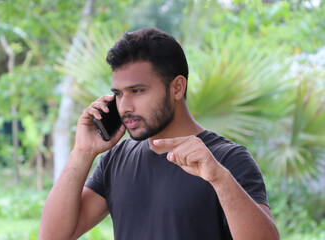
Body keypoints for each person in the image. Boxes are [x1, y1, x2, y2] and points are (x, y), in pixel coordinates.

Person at [39, 27, 279, 240]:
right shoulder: (116, 158)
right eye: (119, 93)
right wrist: (82, 152)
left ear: (177, 87)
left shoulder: (227, 159)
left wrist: (220, 179)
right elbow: (53, 236)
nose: (125, 106)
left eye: (138, 90)